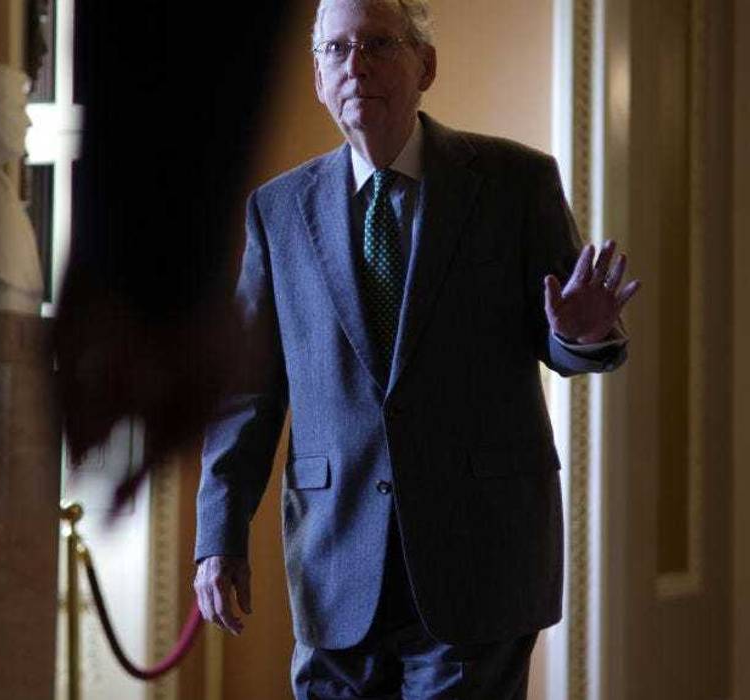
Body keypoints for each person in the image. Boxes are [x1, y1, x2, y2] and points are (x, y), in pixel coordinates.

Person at [192, 0, 640, 697]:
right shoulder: (277, 211)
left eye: (377, 43)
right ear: (316, 76)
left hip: (477, 563)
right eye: (336, 50)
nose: (356, 65)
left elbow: (566, 341)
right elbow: (247, 392)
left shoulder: (515, 182)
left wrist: (579, 335)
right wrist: (217, 536)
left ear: (424, 64)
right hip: (334, 562)